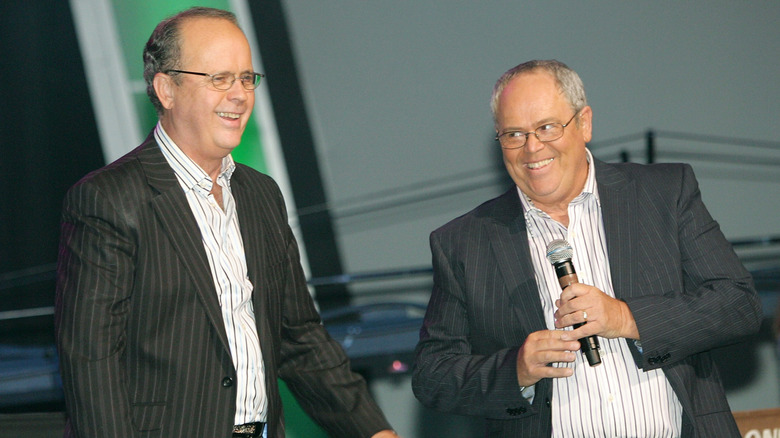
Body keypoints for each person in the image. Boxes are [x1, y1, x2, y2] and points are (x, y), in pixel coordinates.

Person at [55, 7, 399, 438]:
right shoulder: (109, 199)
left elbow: (300, 338)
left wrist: (373, 432)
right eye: (219, 78)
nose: (239, 94)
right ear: (167, 89)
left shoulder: (260, 195)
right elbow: (92, 361)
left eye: (246, 78)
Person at [412, 59, 762, 437]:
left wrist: (627, 319)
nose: (532, 148)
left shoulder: (663, 193)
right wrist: (515, 369)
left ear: (584, 123)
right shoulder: (465, 243)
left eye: (547, 127)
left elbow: (738, 304)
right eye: (514, 134)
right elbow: (433, 375)